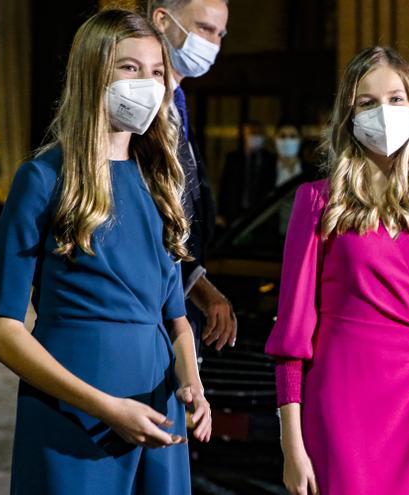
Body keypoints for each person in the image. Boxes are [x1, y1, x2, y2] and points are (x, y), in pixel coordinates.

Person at [0, 11, 211, 493]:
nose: (146, 83)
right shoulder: (42, 179)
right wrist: (104, 406)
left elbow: (177, 319)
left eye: (155, 71)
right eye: (130, 68)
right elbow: (1, 330)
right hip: (76, 413)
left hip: (157, 406)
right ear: (92, 72)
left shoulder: (158, 182)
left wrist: (191, 379)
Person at [265, 46, 409, 495]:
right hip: (342, 401)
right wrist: (291, 445)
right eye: (368, 102)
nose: (384, 111)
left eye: (397, 99)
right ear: (348, 115)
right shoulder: (318, 202)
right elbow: (291, 338)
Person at [149, 0, 236, 352]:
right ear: (162, 19)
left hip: (178, 311)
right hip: (148, 313)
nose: (213, 44)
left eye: (220, 34)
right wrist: (197, 284)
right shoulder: (139, 112)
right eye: (203, 29)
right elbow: (152, 217)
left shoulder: (178, 105)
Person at [218, 120, 278, 225]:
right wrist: (220, 213)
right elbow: (225, 186)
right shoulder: (233, 158)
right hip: (234, 212)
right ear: (244, 135)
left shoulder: (270, 159)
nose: (254, 137)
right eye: (251, 133)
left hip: (260, 214)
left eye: (258, 134)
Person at [274, 122, 305, 188]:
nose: (287, 140)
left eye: (292, 136)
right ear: (275, 139)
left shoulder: (309, 170)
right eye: (283, 136)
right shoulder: (264, 170)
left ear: (300, 139)